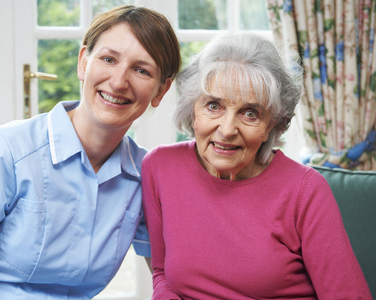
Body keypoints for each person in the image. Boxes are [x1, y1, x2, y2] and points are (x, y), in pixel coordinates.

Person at [0, 5, 180, 299]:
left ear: (161, 91)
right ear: (83, 63)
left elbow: (172, 275)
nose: (118, 81)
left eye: (141, 70)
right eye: (108, 59)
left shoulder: (145, 174)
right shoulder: (7, 151)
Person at [142, 31, 372, 299]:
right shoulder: (159, 167)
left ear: (273, 125)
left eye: (250, 113)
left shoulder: (305, 191)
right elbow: (162, 272)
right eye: (214, 105)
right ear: (192, 109)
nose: (227, 130)